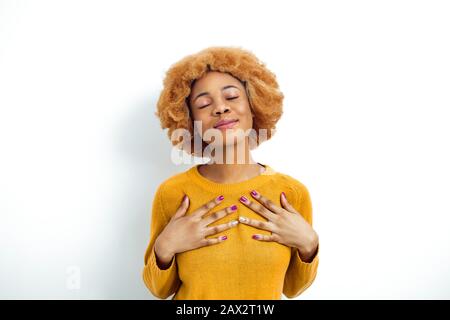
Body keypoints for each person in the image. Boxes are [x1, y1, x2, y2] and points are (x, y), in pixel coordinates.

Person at [142, 46, 319, 300]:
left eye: (232, 97)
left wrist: (309, 244)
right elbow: (159, 289)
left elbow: (293, 288)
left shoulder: (291, 193)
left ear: (254, 104)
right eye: (204, 103)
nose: (220, 108)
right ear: (190, 121)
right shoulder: (171, 194)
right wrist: (165, 247)